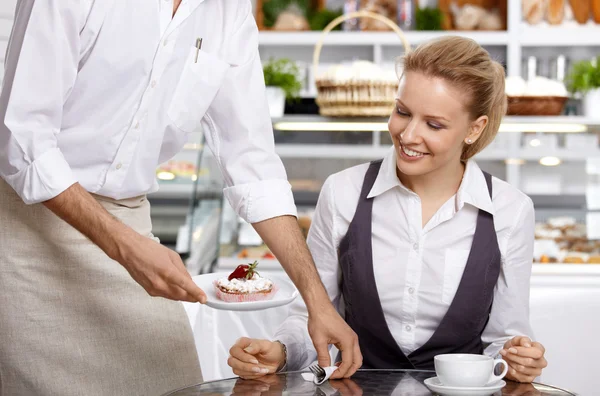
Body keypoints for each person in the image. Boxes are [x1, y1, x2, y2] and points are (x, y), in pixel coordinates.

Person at [0, 1, 360, 395]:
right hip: (26, 229)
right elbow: (23, 140)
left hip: (129, 220)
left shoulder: (230, 13)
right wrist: (126, 247)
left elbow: (254, 165)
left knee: (178, 386)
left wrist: (318, 304)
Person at [227, 36, 548, 384]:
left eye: (434, 125)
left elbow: (503, 339)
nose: (408, 135)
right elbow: (312, 317)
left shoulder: (510, 211)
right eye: (402, 112)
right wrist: (281, 352)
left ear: (475, 129)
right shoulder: (343, 192)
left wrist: (517, 359)